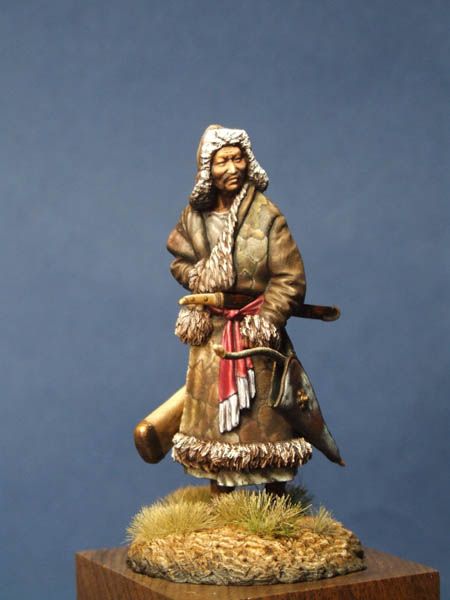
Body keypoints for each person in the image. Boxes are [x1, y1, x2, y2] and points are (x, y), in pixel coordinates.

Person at [167, 125, 315, 495]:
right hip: (212, 338)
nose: (232, 168)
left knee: (268, 424)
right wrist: (198, 277)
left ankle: (277, 504)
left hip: (256, 335)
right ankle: (220, 503)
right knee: (216, 429)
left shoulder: (266, 216)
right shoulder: (194, 217)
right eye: (223, 161)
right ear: (208, 169)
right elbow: (179, 261)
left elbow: (289, 277)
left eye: (238, 159)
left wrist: (267, 319)